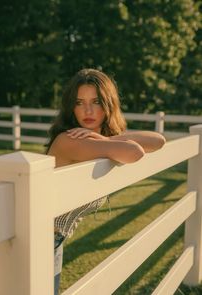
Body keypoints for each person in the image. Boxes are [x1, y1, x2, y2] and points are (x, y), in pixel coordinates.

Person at [46, 68, 166, 294]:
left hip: (53, 238)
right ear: (71, 106)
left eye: (96, 101)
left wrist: (104, 138)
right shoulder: (69, 139)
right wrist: (107, 140)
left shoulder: (95, 140)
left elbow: (158, 140)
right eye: (79, 102)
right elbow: (134, 152)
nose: (88, 110)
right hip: (39, 239)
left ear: (108, 104)